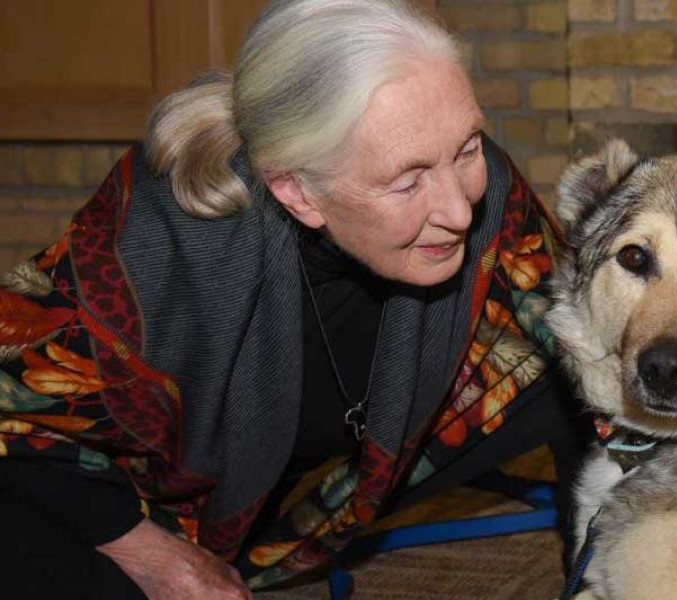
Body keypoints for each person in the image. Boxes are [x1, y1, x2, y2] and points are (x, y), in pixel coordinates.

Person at [0, 0, 590, 597]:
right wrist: (144, 547)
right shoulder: (161, 237)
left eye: (465, 149)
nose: (460, 209)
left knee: (579, 366)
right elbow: (15, 404)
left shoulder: (482, 192)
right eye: (407, 180)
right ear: (297, 191)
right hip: (125, 488)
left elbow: (583, 337)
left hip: (323, 479)